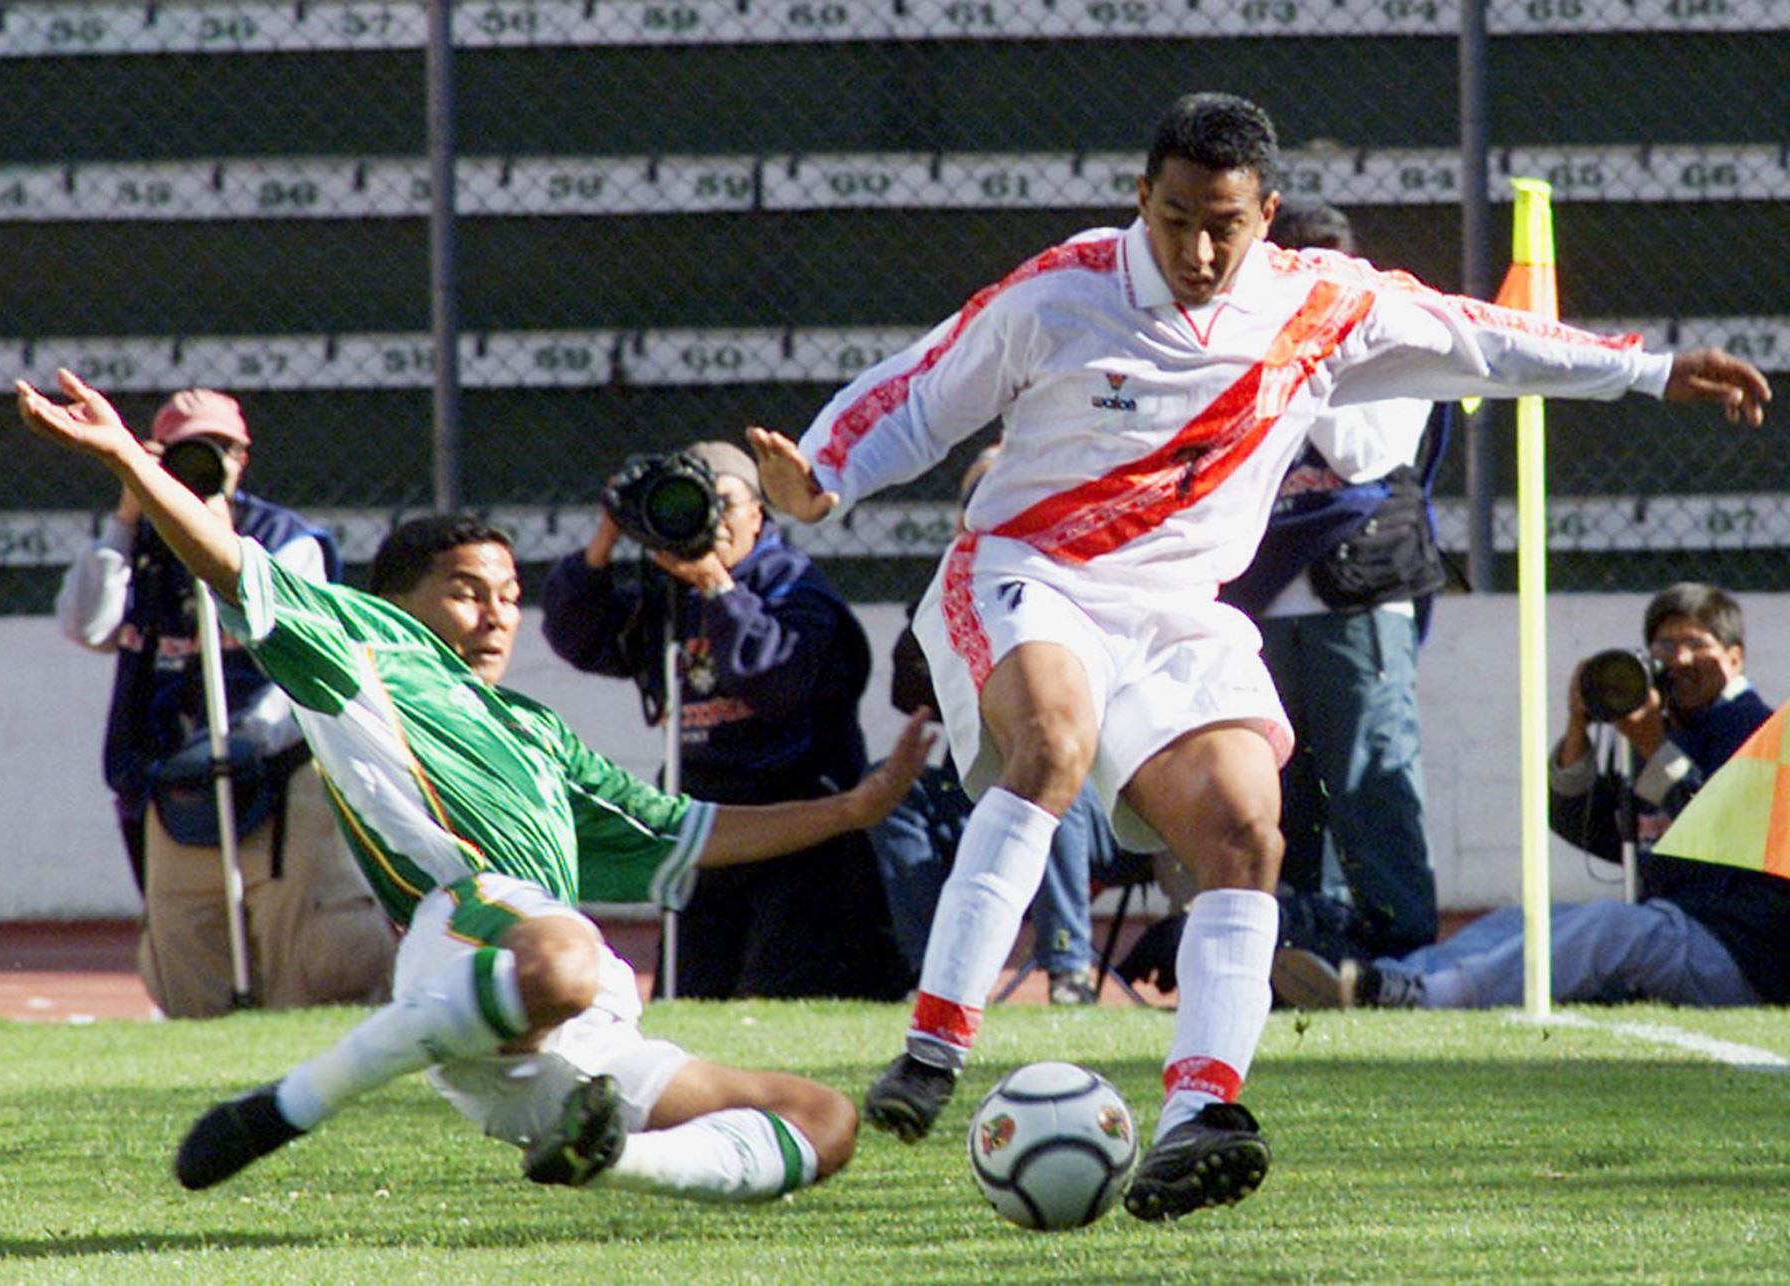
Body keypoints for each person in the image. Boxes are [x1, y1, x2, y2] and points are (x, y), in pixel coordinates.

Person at [744, 90, 1770, 1224]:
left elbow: (1481, 335)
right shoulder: (1062, 290)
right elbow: (922, 389)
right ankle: (933, 1046)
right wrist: (824, 473)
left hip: (1178, 609)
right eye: (1173, 215)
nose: (1194, 247)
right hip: (1029, 573)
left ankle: (1199, 1115)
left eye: (1221, 223)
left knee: (1247, 828)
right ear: (1141, 197)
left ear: (1265, 213)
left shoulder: (1318, 302)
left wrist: (1648, 368)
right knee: (1055, 744)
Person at [15, 371, 935, 1205]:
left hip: (572, 1032)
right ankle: (291, 1103)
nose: (498, 613)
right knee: (566, 954)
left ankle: (606, 1154)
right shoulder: (362, 649)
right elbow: (229, 563)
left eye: (505, 593)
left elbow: (677, 832)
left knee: (823, 1122)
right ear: (399, 600)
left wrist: (854, 808)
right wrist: (131, 461)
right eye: (467, 590)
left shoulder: (537, 733)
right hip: (467, 938)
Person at [1280, 582, 1788, 1010]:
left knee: (1613, 926)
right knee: (1531, 919)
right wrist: (1578, 729)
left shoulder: (1756, 731)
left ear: (1734, 657)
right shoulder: (1668, 727)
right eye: (1664, 646)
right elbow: (1589, 830)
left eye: (1695, 644)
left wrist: (1654, 745)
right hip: (1681, 931)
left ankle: (1432, 995)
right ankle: (1380, 978)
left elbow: (1723, 835)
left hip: (1742, 954)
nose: (1677, 660)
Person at [55, 386, 394, 1018]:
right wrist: (129, 519)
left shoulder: (283, 539)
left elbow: (295, 653)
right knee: (190, 954)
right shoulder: (139, 544)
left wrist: (247, 740)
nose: (207, 465)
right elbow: (89, 627)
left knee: (300, 948)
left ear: (243, 455)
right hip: (163, 772)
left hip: (268, 770)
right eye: (184, 452)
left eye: (219, 449)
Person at [541, 441, 908, 1000]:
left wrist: (718, 588)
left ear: (760, 511)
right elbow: (579, 636)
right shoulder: (671, 590)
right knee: (694, 994)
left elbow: (777, 683)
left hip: (798, 817)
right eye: (695, 504)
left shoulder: (796, 588)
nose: (710, 522)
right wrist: (608, 538)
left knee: (786, 993)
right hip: (703, 816)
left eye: (725, 504)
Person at [1222, 197, 1448, 968]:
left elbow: (1361, 455)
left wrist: (1302, 354)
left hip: (1356, 592)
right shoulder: (1234, 340)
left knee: (1370, 776)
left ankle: (1403, 948)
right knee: (1281, 785)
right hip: (1258, 601)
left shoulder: (1394, 335)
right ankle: (1297, 940)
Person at [870, 446, 1152, 1004]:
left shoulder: (1091, 584)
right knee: (894, 788)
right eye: (983, 501)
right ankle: (936, 977)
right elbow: (908, 693)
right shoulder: (954, 595)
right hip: (975, 796)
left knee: (1050, 771)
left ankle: (1068, 965)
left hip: (1093, 807)